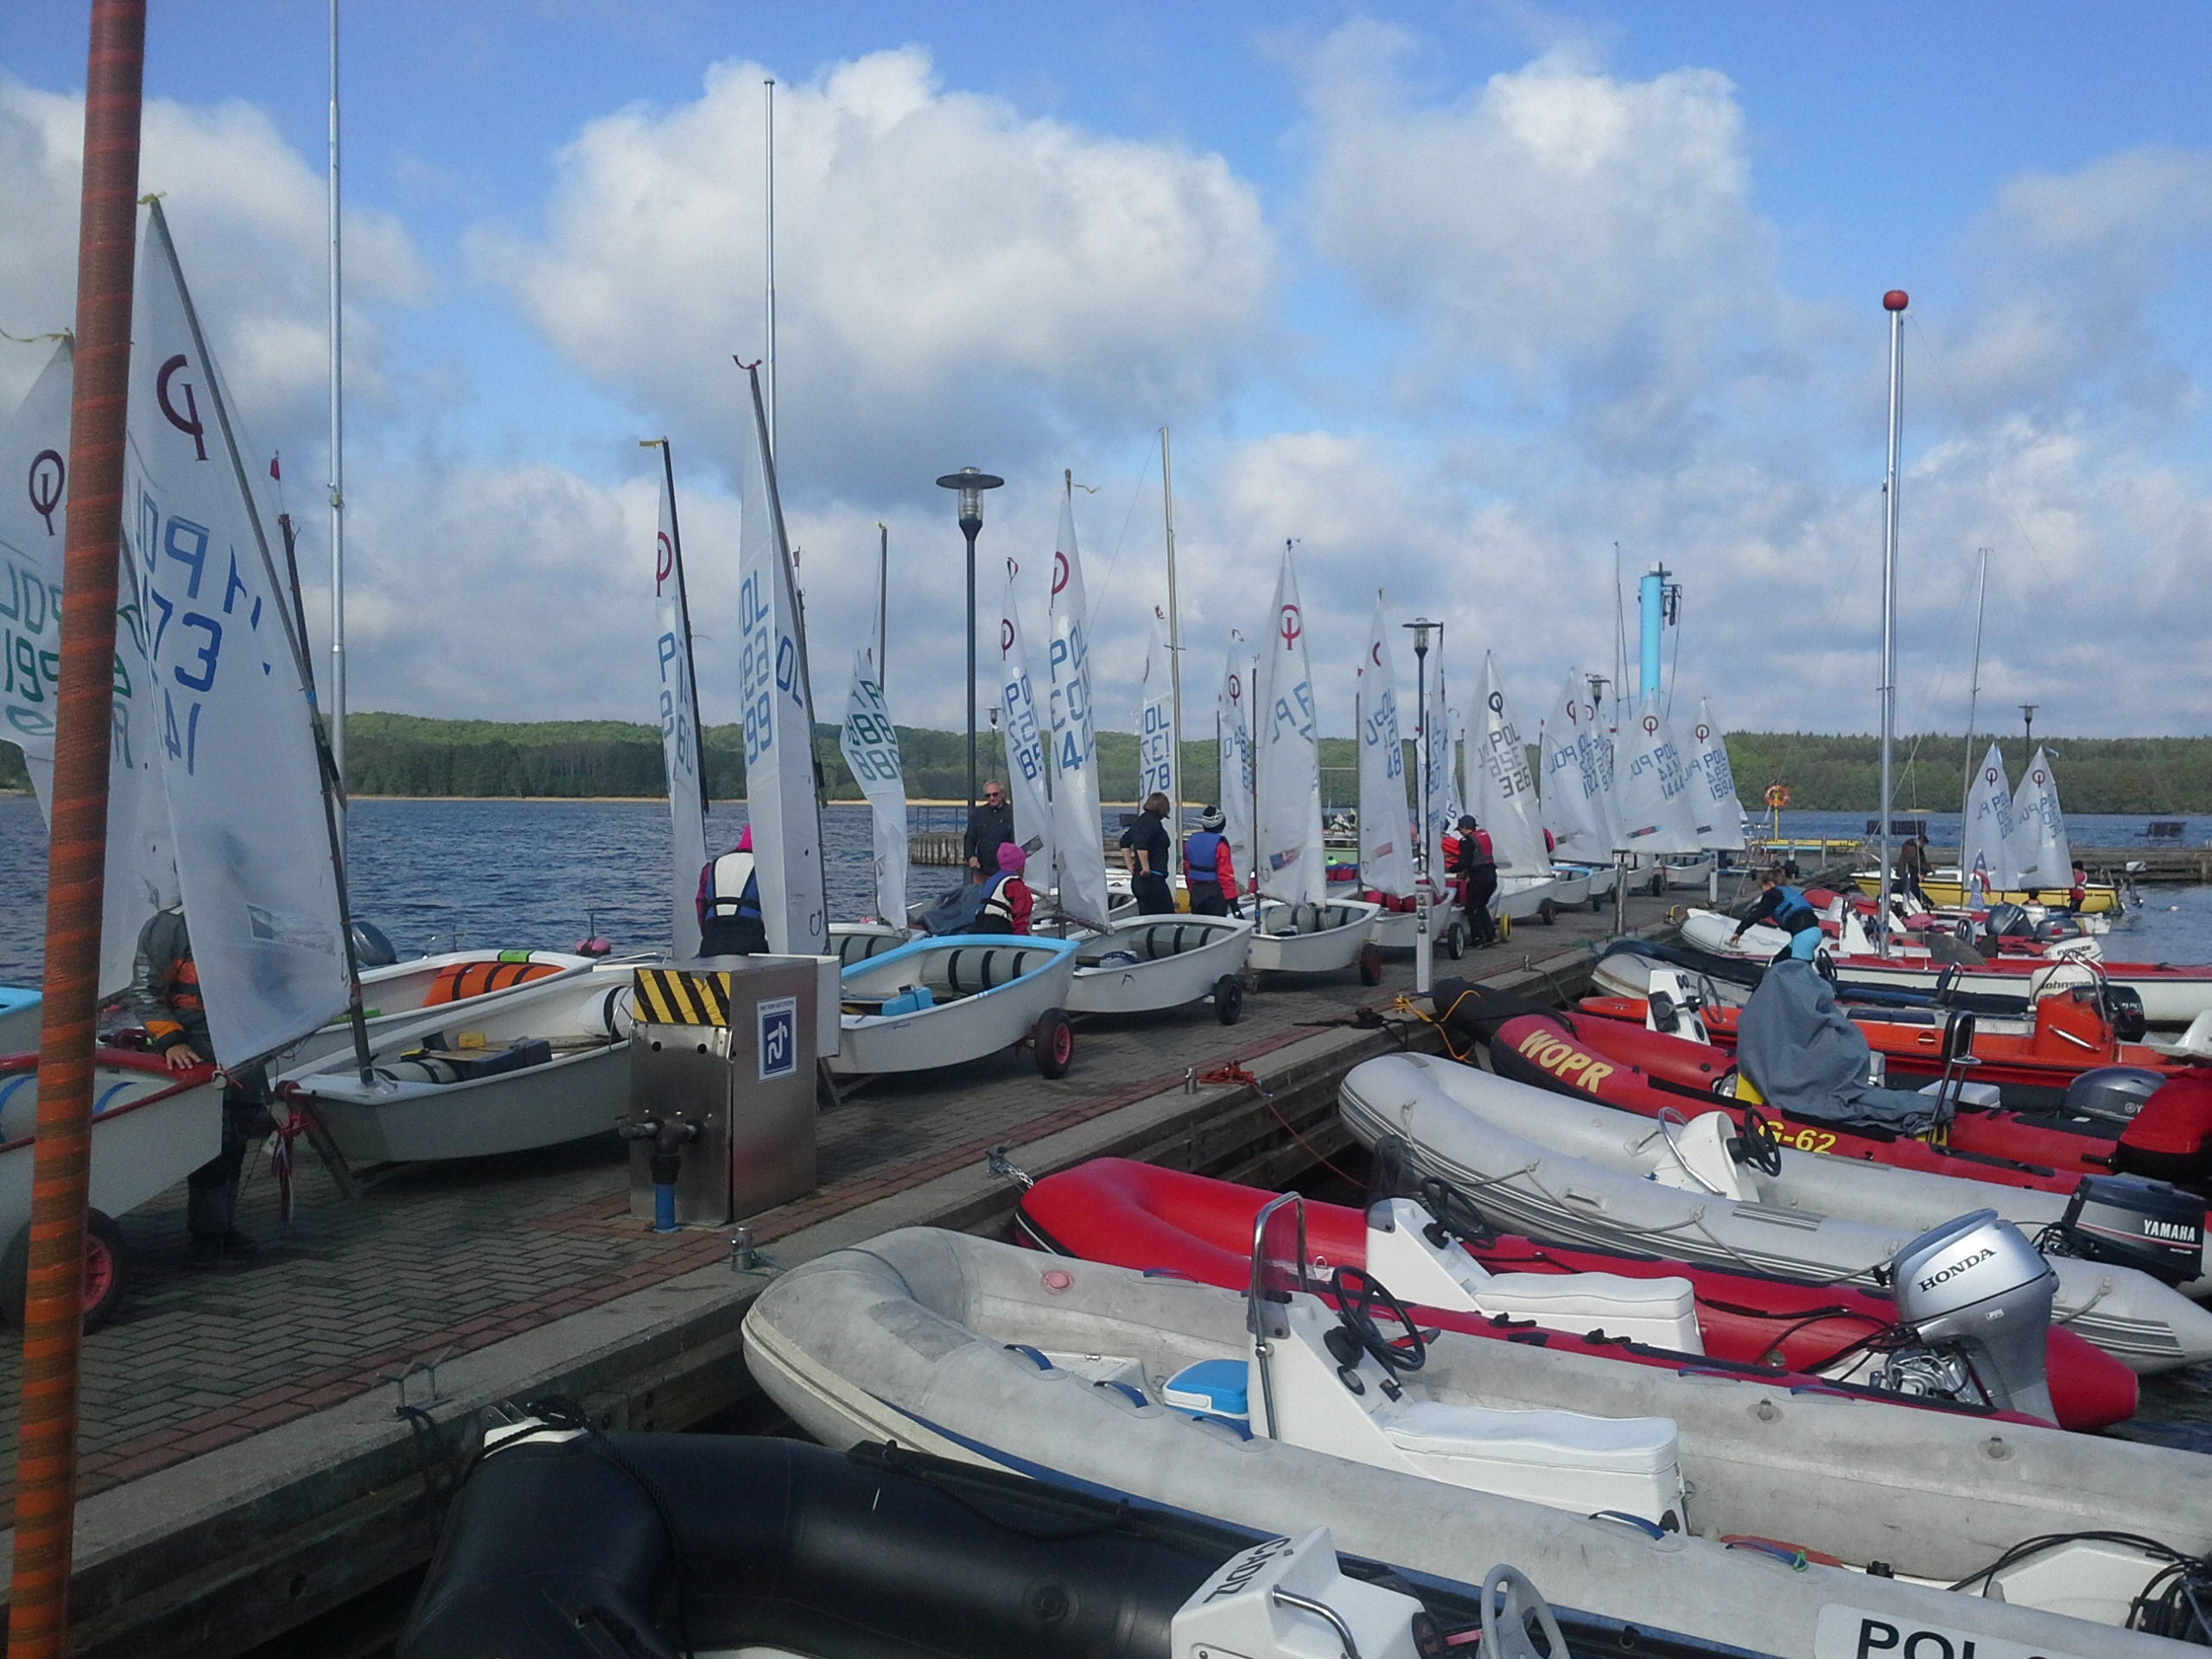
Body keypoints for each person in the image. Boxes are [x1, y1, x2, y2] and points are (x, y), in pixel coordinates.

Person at [118, 906, 271, 1268]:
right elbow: (143, 991)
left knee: (238, 1135)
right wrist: (171, 1041)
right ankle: (206, 1235)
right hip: (195, 1043)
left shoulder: (250, 917)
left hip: (242, 1039)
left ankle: (223, 1227)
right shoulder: (169, 926)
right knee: (213, 1139)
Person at [697, 825, 766, 956]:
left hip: (712, 938)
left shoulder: (712, 866)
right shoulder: (764, 867)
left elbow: (700, 905)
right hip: (750, 939)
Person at [1731, 868, 1823, 961]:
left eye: (1763, 887)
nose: (1763, 892)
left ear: (1770, 884)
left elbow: (1757, 914)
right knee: (1778, 962)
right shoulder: (1789, 892)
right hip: (1815, 932)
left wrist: (1739, 931)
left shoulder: (1772, 894)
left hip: (1804, 936)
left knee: (1798, 967)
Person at [1122, 791, 1176, 915]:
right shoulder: (1152, 822)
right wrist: (1146, 867)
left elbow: (1124, 842)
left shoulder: (1139, 821)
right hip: (1152, 880)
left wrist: (1130, 865)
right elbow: (1141, 844)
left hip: (1138, 880)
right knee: (1166, 916)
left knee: (1146, 915)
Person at [1182, 805, 1241, 917]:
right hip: (1215, 892)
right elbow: (1225, 875)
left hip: (1196, 891)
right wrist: (1233, 903)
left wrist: (1191, 889)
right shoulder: (1220, 845)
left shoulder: (1191, 841)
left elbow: (1187, 869)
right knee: (1216, 925)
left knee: (1199, 924)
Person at [1451, 815, 1497, 946]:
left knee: (1472, 908)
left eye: (1460, 829)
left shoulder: (1466, 841)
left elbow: (1464, 863)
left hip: (1479, 878)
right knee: (1481, 906)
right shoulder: (1484, 837)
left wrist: (1450, 869)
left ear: (1464, 828)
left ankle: (1478, 939)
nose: (1460, 833)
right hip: (1492, 876)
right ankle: (1491, 935)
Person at [971, 842, 1034, 934]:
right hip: (999, 930)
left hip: (978, 927)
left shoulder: (991, 880)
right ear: (1020, 866)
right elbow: (1022, 917)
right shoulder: (1017, 886)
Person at [964, 780, 1014, 883]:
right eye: (988, 795)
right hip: (982, 870)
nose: (992, 798)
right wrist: (971, 857)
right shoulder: (979, 813)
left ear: (1002, 794)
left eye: (995, 794)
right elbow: (970, 837)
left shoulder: (1012, 813)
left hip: (1006, 871)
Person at [1897, 833, 1929, 906]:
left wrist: (1924, 872)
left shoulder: (1919, 849)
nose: (1923, 846)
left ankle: (1925, 901)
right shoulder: (1911, 848)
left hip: (1912, 872)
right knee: (1911, 886)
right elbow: (1914, 862)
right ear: (1920, 842)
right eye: (1923, 844)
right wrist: (1929, 868)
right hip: (1906, 872)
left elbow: (1922, 861)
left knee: (1912, 886)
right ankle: (1925, 901)